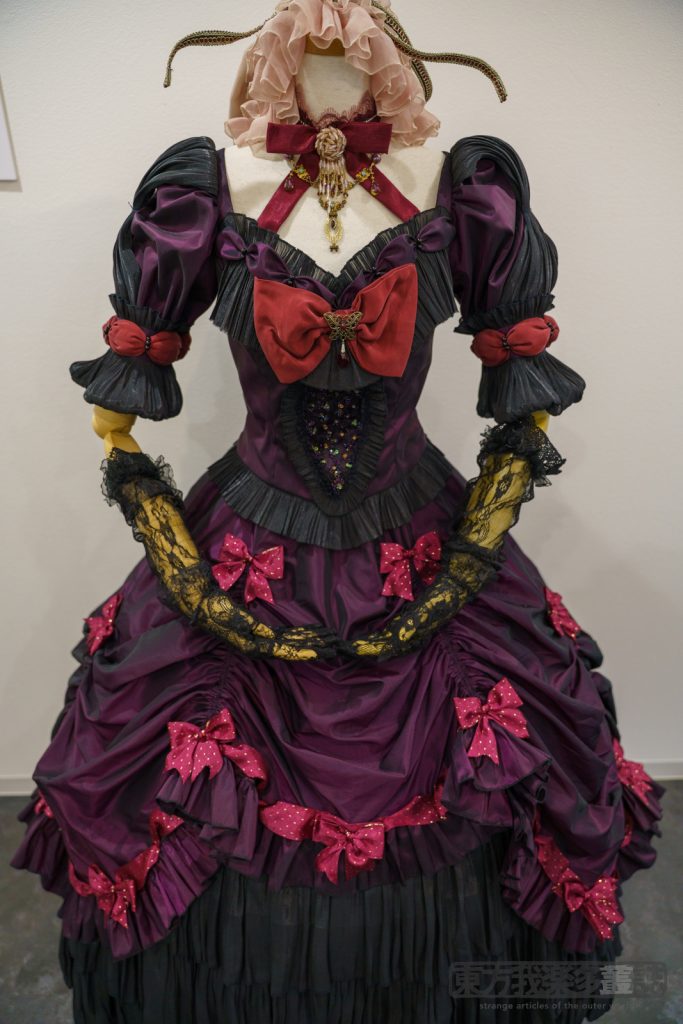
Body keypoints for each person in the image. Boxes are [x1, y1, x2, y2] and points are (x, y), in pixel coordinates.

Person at [11, 2, 664, 1021]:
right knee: (181, 758)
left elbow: (523, 409)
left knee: (499, 749)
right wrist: (185, 574)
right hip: (247, 529)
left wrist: (464, 566)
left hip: (421, 525)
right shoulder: (206, 189)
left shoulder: (460, 186)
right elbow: (119, 419)